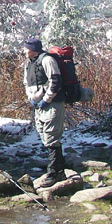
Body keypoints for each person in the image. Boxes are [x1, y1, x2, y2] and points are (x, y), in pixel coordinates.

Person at [23, 37, 67, 187]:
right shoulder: (29, 63)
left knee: (51, 136)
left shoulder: (47, 60)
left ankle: (54, 173)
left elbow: (55, 81)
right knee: (44, 135)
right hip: (38, 105)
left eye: (26, 48)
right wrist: (31, 98)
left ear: (32, 49)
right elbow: (26, 82)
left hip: (52, 104)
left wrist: (46, 100)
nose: (24, 50)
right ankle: (60, 170)